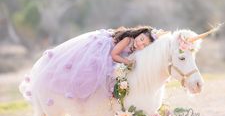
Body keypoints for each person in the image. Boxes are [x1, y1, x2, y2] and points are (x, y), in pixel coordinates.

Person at [19, 25, 167, 104]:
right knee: (90, 70)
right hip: (105, 49)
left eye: (144, 44)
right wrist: (127, 61)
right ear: (138, 34)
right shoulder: (128, 39)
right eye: (141, 39)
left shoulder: (138, 48)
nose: (140, 43)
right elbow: (114, 55)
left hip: (115, 55)